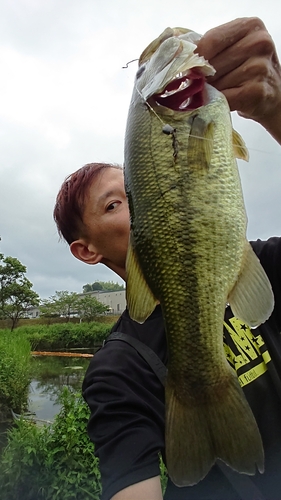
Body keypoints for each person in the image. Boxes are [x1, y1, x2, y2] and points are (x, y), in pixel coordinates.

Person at [53, 17, 281, 500]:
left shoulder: (259, 265)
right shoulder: (119, 370)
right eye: (114, 204)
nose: (139, 203)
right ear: (85, 250)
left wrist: (278, 112)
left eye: (132, 188)